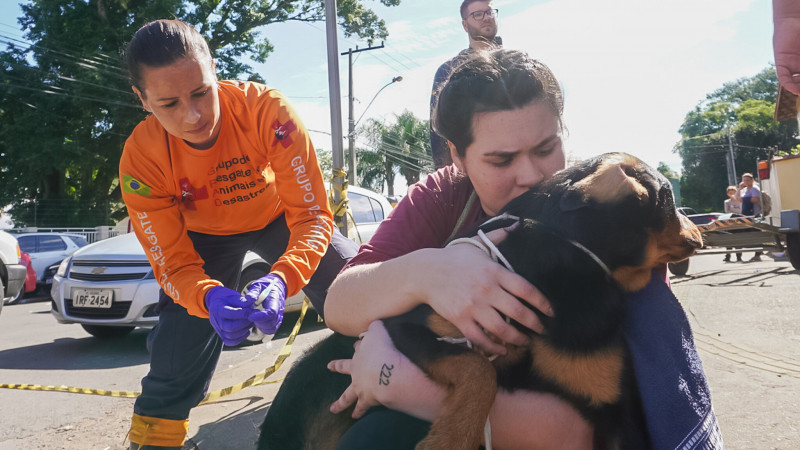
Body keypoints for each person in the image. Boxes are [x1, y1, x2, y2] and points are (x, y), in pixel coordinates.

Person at [323, 49, 723, 449]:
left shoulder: (608, 217)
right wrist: (430, 271)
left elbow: (579, 431)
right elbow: (339, 304)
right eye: (501, 160)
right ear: (457, 157)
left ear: (562, 132)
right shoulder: (445, 195)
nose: (531, 176)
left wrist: (407, 386)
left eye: (546, 149)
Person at [119, 20, 358, 449]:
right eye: (168, 103)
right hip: (201, 240)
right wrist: (207, 295)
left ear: (214, 68)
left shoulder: (267, 111)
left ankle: (393, 399)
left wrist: (283, 277)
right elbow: (173, 263)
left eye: (200, 92)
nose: (193, 116)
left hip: (280, 217)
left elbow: (312, 217)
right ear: (141, 99)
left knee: (363, 287)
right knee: (175, 354)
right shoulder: (141, 160)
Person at [429, 0, 502, 169]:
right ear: (465, 25)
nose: (486, 18)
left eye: (490, 12)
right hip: (470, 172)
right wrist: (448, 177)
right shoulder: (449, 70)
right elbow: (438, 130)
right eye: (477, 14)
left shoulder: (515, 64)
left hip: (516, 167)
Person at [739, 173, 764, 262]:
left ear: (752, 180)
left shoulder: (754, 188)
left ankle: (758, 254)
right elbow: (738, 199)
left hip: (755, 214)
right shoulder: (744, 190)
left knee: (757, 234)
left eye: (748, 180)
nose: (746, 182)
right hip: (746, 214)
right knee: (748, 233)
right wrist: (739, 188)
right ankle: (757, 252)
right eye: (744, 180)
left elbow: (756, 199)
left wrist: (745, 199)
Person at [723, 185, 744, 263]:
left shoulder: (739, 201)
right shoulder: (726, 202)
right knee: (729, 240)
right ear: (727, 194)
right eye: (730, 193)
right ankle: (727, 256)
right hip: (730, 222)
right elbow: (727, 211)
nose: (732, 194)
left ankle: (739, 257)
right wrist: (735, 211)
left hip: (738, 222)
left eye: (733, 193)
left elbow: (741, 211)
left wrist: (734, 211)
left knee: (738, 240)